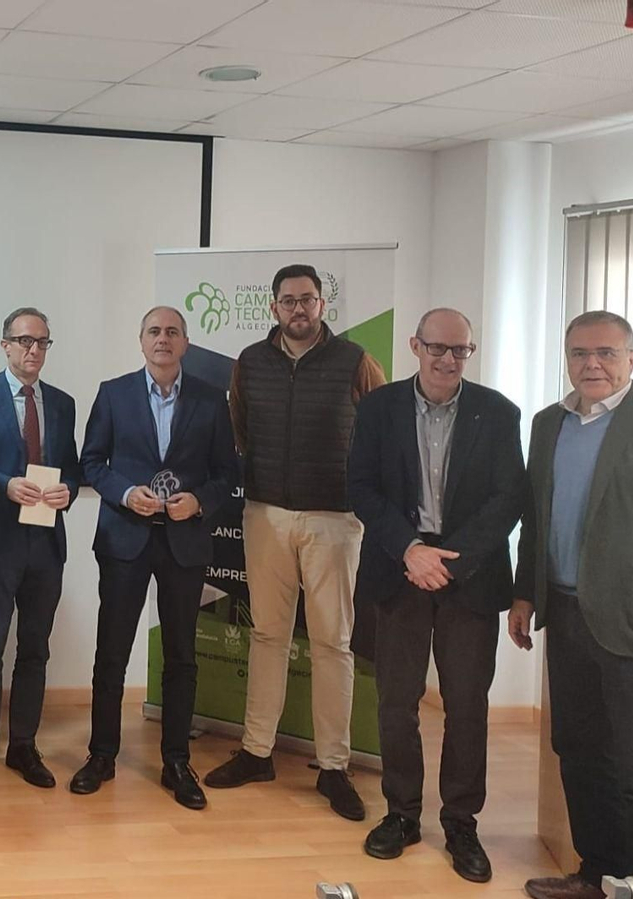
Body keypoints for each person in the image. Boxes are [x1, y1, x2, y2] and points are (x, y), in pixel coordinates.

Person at [347, 308, 525, 883]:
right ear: (415, 346)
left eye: (460, 351)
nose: (448, 359)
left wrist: (451, 560)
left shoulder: (498, 413)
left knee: (466, 707)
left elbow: (508, 498)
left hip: (468, 578)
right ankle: (401, 814)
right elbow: (361, 488)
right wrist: (409, 550)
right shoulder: (379, 408)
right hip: (399, 571)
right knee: (396, 702)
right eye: (438, 348)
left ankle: (461, 822)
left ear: (470, 353)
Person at [204, 263, 385, 823]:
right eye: (288, 301)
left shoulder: (356, 362)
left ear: (322, 305)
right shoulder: (249, 363)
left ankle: (334, 766)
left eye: (308, 299)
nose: (298, 309)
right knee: (267, 634)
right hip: (265, 514)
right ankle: (257, 752)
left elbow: (377, 430)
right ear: (273, 308)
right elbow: (240, 430)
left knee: (333, 641)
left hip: (334, 518)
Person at [512, 311, 633, 899]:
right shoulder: (548, 424)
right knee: (578, 751)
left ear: (631, 359)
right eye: (580, 353)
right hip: (567, 613)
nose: (592, 365)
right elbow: (537, 515)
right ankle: (598, 872)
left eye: (606, 353)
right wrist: (525, 593)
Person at [71, 307, 239, 809]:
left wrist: (201, 502)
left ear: (185, 343)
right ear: (140, 341)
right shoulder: (114, 393)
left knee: (182, 655)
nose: (162, 339)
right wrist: (124, 494)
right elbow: (90, 463)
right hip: (126, 537)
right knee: (112, 651)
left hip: (184, 541)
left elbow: (227, 474)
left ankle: (176, 760)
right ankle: (102, 755)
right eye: (153, 332)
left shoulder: (211, 401)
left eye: (172, 332)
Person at [0, 307, 81, 790]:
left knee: (35, 649)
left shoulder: (64, 403)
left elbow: (72, 466)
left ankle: (24, 746)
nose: (34, 351)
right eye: (25, 341)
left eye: (43, 342)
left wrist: (68, 487)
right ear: (5, 344)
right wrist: (4, 485)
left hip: (47, 543)